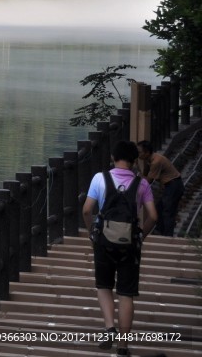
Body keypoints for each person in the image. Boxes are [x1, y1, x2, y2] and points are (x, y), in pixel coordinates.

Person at [82, 140, 158, 354]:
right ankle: (123, 344)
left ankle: (109, 328)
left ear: (113, 158)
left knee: (104, 286)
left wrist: (92, 233)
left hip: (104, 241)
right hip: (130, 244)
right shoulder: (142, 184)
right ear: (134, 162)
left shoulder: (100, 178)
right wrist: (141, 234)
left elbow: (87, 210)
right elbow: (153, 216)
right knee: (126, 293)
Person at [136, 140, 184, 236]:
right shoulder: (149, 160)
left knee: (168, 211)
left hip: (174, 185)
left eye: (139, 152)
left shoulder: (156, 161)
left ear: (147, 152)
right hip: (170, 186)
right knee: (159, 209)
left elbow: (148, 181)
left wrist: (137, 170)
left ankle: (167, 236)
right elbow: (145, 174)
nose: (138, 154)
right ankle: (160, 232)